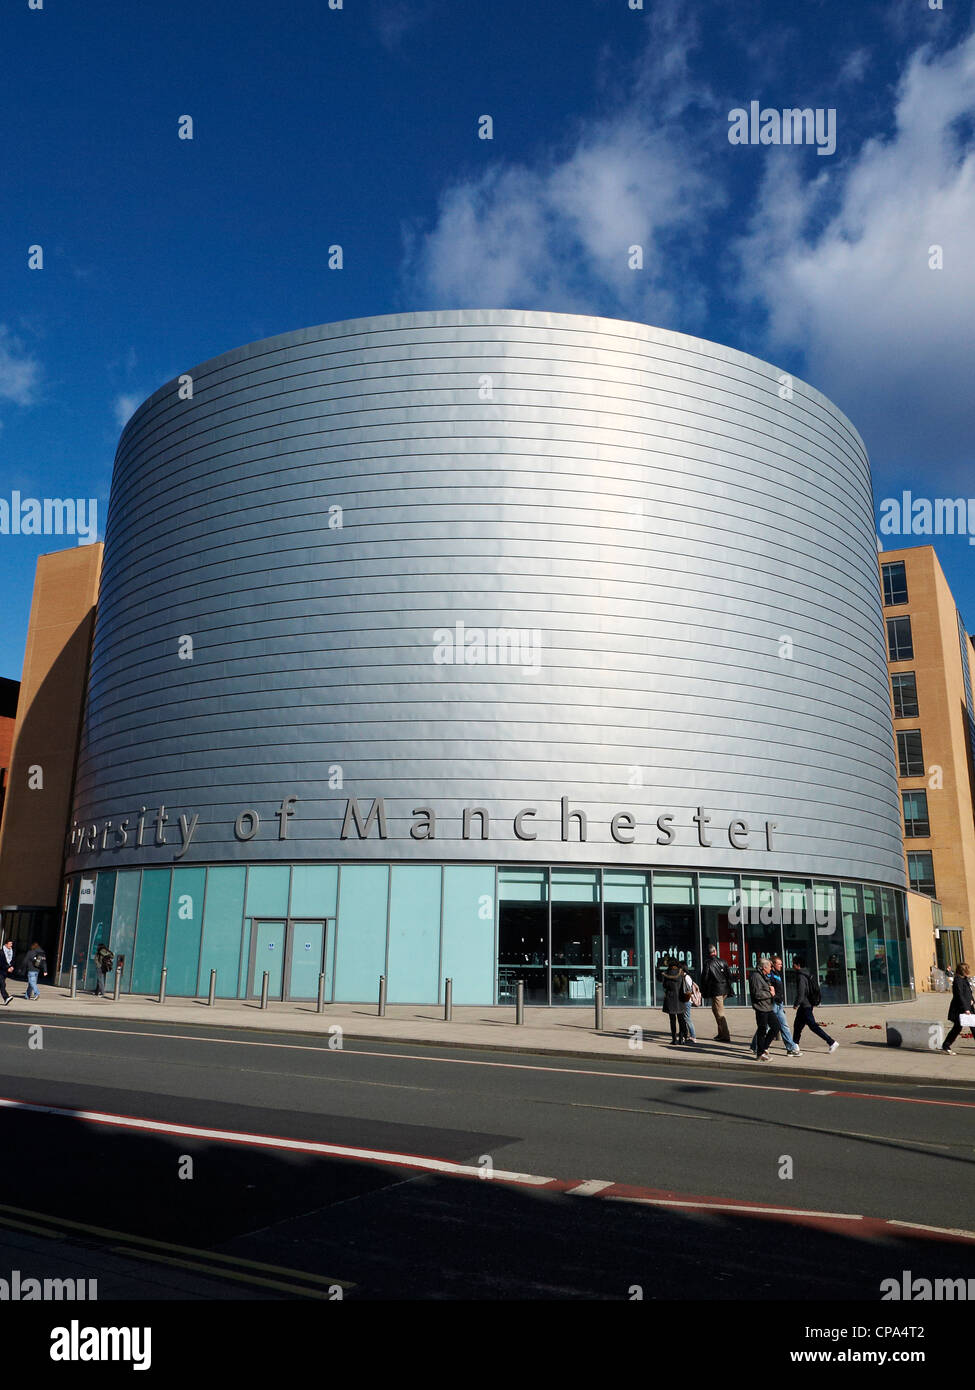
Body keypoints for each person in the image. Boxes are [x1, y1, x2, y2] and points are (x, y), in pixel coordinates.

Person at [792, 955, 839, 1052]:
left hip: (805, 1005)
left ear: (798, 965)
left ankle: (831, 1042)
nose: (792, 965)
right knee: (797, 1025)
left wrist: (796, 1003)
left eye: (794, 964)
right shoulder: (807, 973)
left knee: (813, 1026)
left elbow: (801, 992)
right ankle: (794, 1044)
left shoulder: (801, 976)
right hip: (807, 1004)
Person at [700, 945, 734, 1042]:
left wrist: (704, 990)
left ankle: (725, 1035)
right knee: (716, 1011)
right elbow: (729, 976)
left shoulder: (708, 963)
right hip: (724, 990)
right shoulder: (723, 961)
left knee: (719, 1013)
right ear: (715, 951)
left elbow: (705, 978)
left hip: (716, 990)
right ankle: (721, 1033)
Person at [942, 962, 974, 1055]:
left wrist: (972, 1000)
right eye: (967, 969)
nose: (968, 971)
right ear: (962, 971)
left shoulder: (965, 979)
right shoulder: (958, 981)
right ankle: (946, 1045)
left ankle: (946, 1045)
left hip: (969, 1007)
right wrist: (965, 1009)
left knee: (973, 1027)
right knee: (957, 1028)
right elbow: (959, 995)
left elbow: (969, 992)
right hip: (960, 1008)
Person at [748, 956, 776, 1060]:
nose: (771, 968)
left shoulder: (764, 976)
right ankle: (760, 1053)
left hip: (768, 1007)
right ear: (764, 967)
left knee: (776, 1026)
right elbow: (757, 994)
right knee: (762, 1030)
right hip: (761, 1008)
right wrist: (770, 993)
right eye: (769, 966)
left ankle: (764, 1047)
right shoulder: (756, 976)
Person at [660, 957, 690, 1045]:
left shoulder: (666, 973)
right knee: (681, 1020)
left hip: (670, 999)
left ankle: (674, 1039)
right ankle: (681, 1038)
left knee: (672, 1020)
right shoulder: (681, 973)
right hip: (680, 999)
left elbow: (665, 985)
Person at [0, 940, 14, 1005]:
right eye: (10, 944)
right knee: (3, 984)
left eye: (11, 944)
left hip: (4, 972)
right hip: (1, 970)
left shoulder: (10, 952)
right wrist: (7, 968)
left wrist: (11, 967)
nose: (11, 945)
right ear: (6, 944)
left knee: (1, 985)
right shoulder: (1, 951)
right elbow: (1, 962)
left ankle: (6, 998)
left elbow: (11, 961)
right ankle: (6, 997)